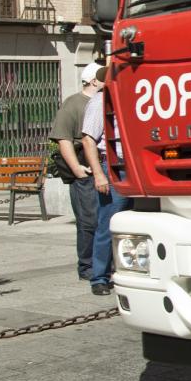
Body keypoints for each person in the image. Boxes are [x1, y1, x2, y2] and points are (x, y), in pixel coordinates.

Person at [50, 63, 104, 283]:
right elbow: (63, 139)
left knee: (102, 219)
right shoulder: (73, 104)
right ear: (93, 81)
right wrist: (77, 169)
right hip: (85, 170)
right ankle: (87, 265)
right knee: (88, 220)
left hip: (102, 168)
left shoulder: (101, 101)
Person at [81, 82, 130, 296]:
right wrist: (99, 174)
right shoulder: (100, 100)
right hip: (114, 166)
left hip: (135, 166)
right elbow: (88, 139)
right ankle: (99, 277)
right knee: (108, 223)